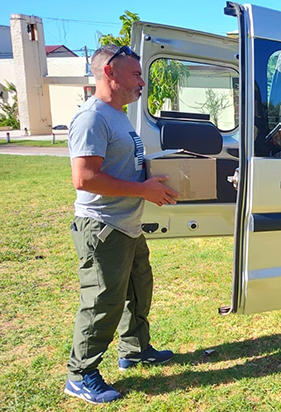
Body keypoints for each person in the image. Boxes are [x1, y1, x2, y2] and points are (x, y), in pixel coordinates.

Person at [64, 44, 179, 404]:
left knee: (137, 289)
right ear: (110, 73)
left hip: (126, 223)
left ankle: (134, 349)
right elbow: (84, 178)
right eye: (136, 74)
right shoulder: (92, 118)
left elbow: (120, 165)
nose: (142, 82)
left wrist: (154, 175)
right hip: (103, 226)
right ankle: (80, 374)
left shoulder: (119, 114)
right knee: (103, 301)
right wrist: (142, 190)